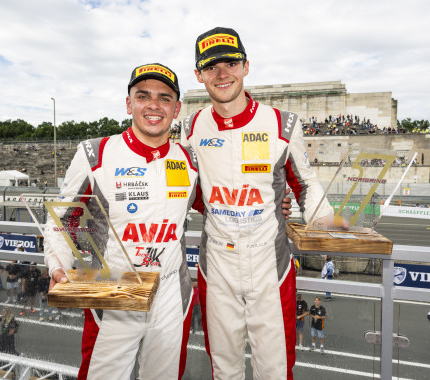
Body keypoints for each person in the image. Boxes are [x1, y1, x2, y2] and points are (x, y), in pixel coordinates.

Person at [181, 26, 336, 380]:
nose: (222, 74)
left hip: (270, 262)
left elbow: (305, 181)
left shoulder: (282, 123)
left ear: (246, 66)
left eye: (230, 63)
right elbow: (187, 191)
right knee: (224, 367)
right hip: (216, 261)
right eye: (211, 67)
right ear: (199, 75)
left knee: (276, 369)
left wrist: (328, 223)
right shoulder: (191, 127)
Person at [44, 63, 200, 380]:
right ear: (129, 103)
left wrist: (277, 204)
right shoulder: (94, 153)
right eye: (143, 96)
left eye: (165, 98)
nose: (154, 105)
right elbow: (61, 221)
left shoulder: (191, 159)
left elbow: (219, 205)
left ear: (177, 108)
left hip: (171, 290)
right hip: (112, 289)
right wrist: (58, 263)